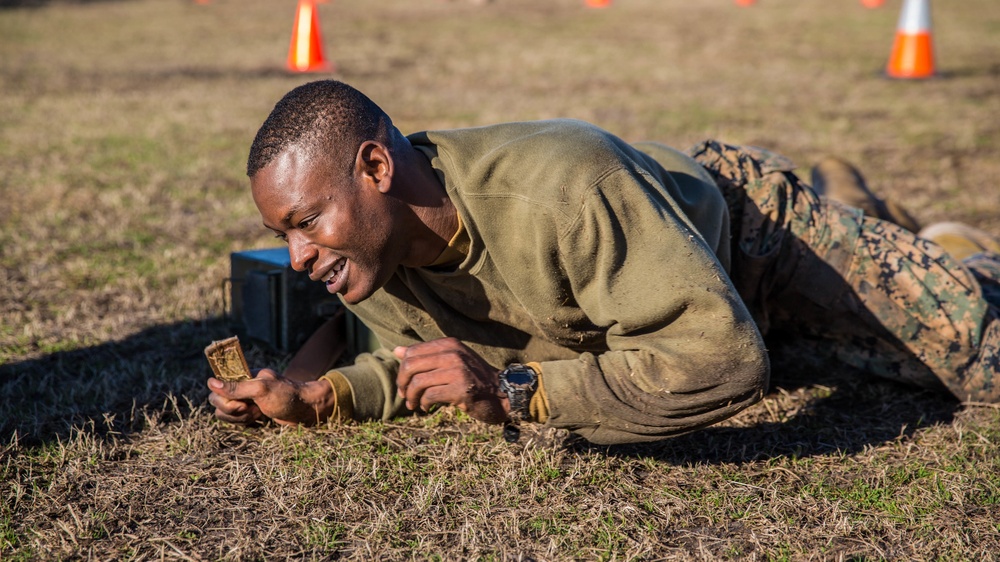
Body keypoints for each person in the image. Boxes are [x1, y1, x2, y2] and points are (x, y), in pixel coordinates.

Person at [208, 80, 1000, 445]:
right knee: (888, 368)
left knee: (985, 359)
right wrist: (318, 398)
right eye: (286, 233)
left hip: (760, 245)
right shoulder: (374, 255)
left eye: (307, 222)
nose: (298, 256)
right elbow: (403, 365)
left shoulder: (564, 187)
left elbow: (723, 361)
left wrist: (514, 391)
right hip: (685, 316)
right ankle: (891, 217)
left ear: (377, 170)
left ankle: (921, 233)